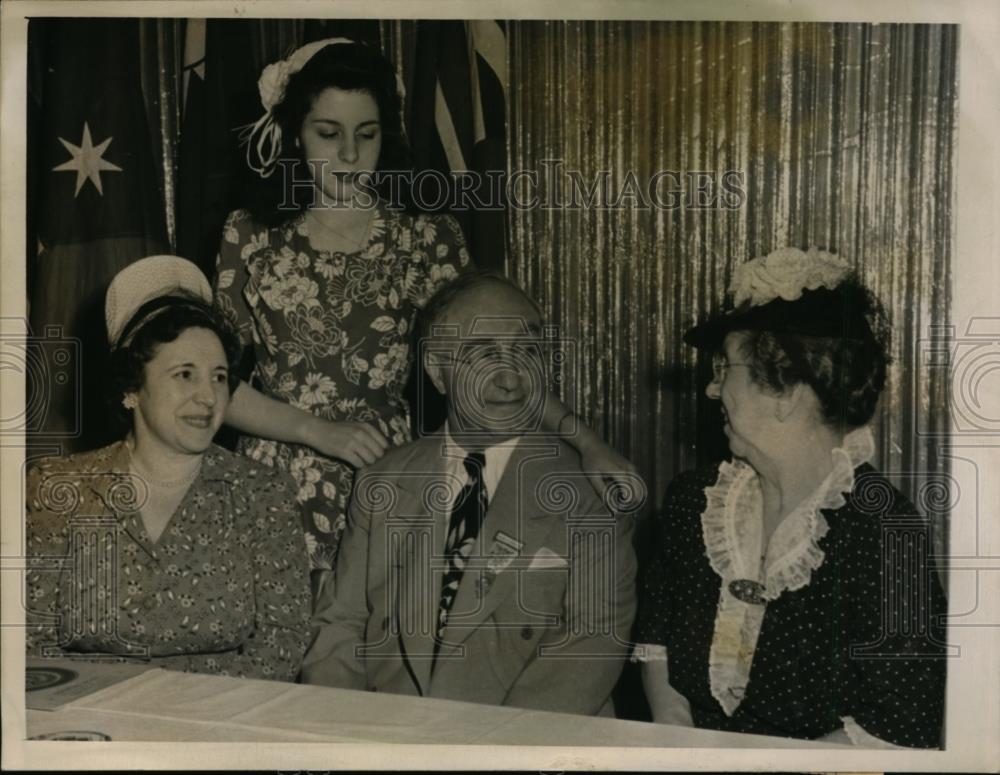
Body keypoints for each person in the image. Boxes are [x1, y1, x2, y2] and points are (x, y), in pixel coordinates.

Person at [215, 38, 640, 589]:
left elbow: (496, 368)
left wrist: (587, 442)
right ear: (295, 133)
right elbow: (212, 383)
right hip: (275, 480)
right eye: (328, 133)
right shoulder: (248, 233)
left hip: (392, 474)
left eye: (365, 135)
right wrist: (316, 430)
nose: (348, 155)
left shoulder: (427, 237)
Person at [634, 247, 947, 747]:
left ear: (786, 395)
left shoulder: (884, 528)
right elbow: (655, 636)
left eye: (725, 370)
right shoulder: (695, 501)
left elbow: (900, 721)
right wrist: (680, 742)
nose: (713, 391)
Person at [301, 272, 638, 715]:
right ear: (437, 372)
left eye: (527, 352)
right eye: (482, 354)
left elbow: (590, 644)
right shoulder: (381, 482)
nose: (510, 379)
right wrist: (346, 735)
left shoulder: (589, 490)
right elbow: (340, 626)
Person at [25, 255, 312, 681]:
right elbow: (30, 639)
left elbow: (280, 645)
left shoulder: (262, 493)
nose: (208, 398)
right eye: (185, 375)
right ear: (130, 389)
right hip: (91, 719)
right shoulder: (58, 486)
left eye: (218, 377)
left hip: (221, 721)